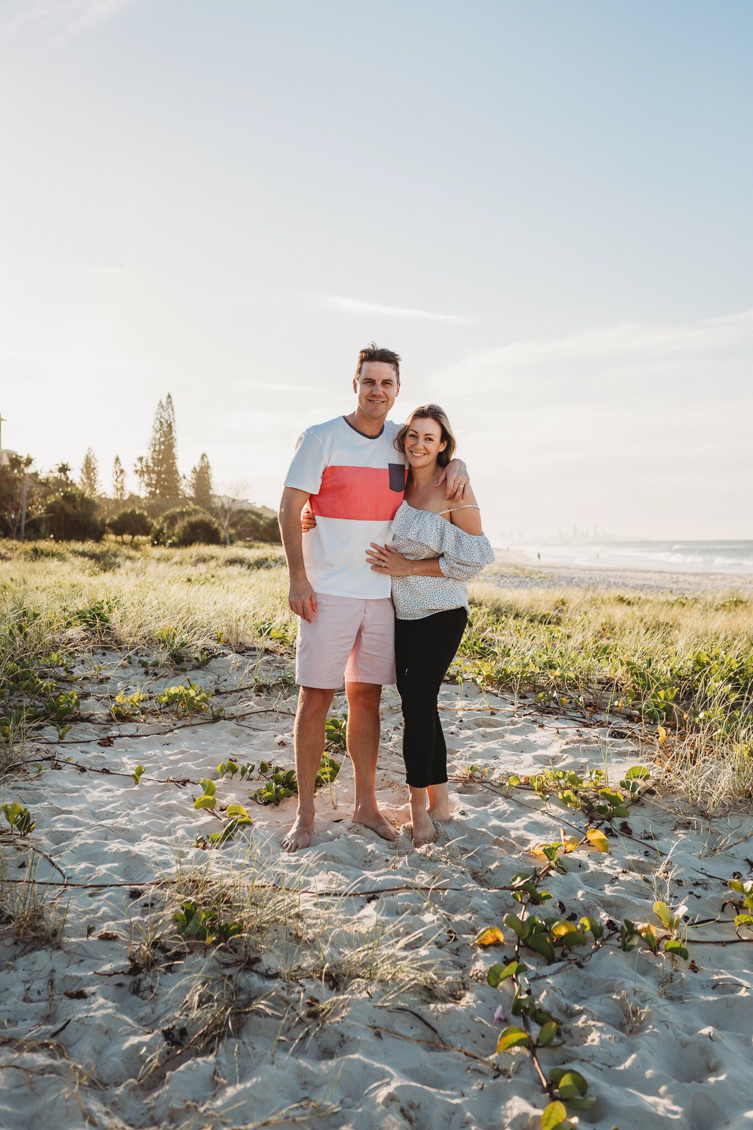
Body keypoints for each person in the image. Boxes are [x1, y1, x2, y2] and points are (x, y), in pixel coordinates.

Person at [277, 344, 470, 853]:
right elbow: (289, 505)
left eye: (386, 383)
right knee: (315, 698)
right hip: (328, 593)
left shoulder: (400, 443)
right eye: (369, 381)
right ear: (355, 383)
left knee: (367, 698)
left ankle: (365, 805)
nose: (377, 390)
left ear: (397, 390)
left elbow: (435, 457)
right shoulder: (321, 438)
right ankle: (305, 814)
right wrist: (298, 578)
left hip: (383, 597)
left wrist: (462, 463)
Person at [364, 405, 495, 845]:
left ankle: (420, 812)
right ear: (404, 440)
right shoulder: (394, 481)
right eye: (413, 436)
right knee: (423, 705)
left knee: (416, 707)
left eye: (430, 438)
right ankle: (439, 799)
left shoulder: (454, 486)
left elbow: (474, 559)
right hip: (402, 614)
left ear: (444, 445)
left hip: (442, 614)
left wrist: (408, 568)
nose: (420, 445)